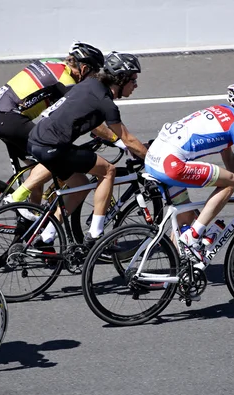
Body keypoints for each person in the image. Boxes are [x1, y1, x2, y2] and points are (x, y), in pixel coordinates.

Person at [144, 82, 234, 261]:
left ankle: (177, 270)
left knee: (185, 217)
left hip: (153, 159)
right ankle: (193, 236)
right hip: (170, 165)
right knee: (230, 181)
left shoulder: (221, 110)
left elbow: (227, 155)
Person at [22, 51, 148, 248]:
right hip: (53, 146)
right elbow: (128, 139)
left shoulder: (89, 84)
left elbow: (81, 115)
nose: (136, 85)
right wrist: (152, 159)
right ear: (121, 79)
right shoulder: (106, 103)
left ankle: (46, 238)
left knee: (79, 185)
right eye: (133, 80)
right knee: (108, 171)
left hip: (36, 140)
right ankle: (96, 234)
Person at [0, 42, 105, 204]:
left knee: (37, 170)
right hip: (9, 120)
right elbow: (80, 113)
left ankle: (29, 221)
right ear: (84, 69)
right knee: (51, 153)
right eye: (94, 74)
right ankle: (16, 203)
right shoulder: (66, 82)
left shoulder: (52, 62)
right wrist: (114, 139)